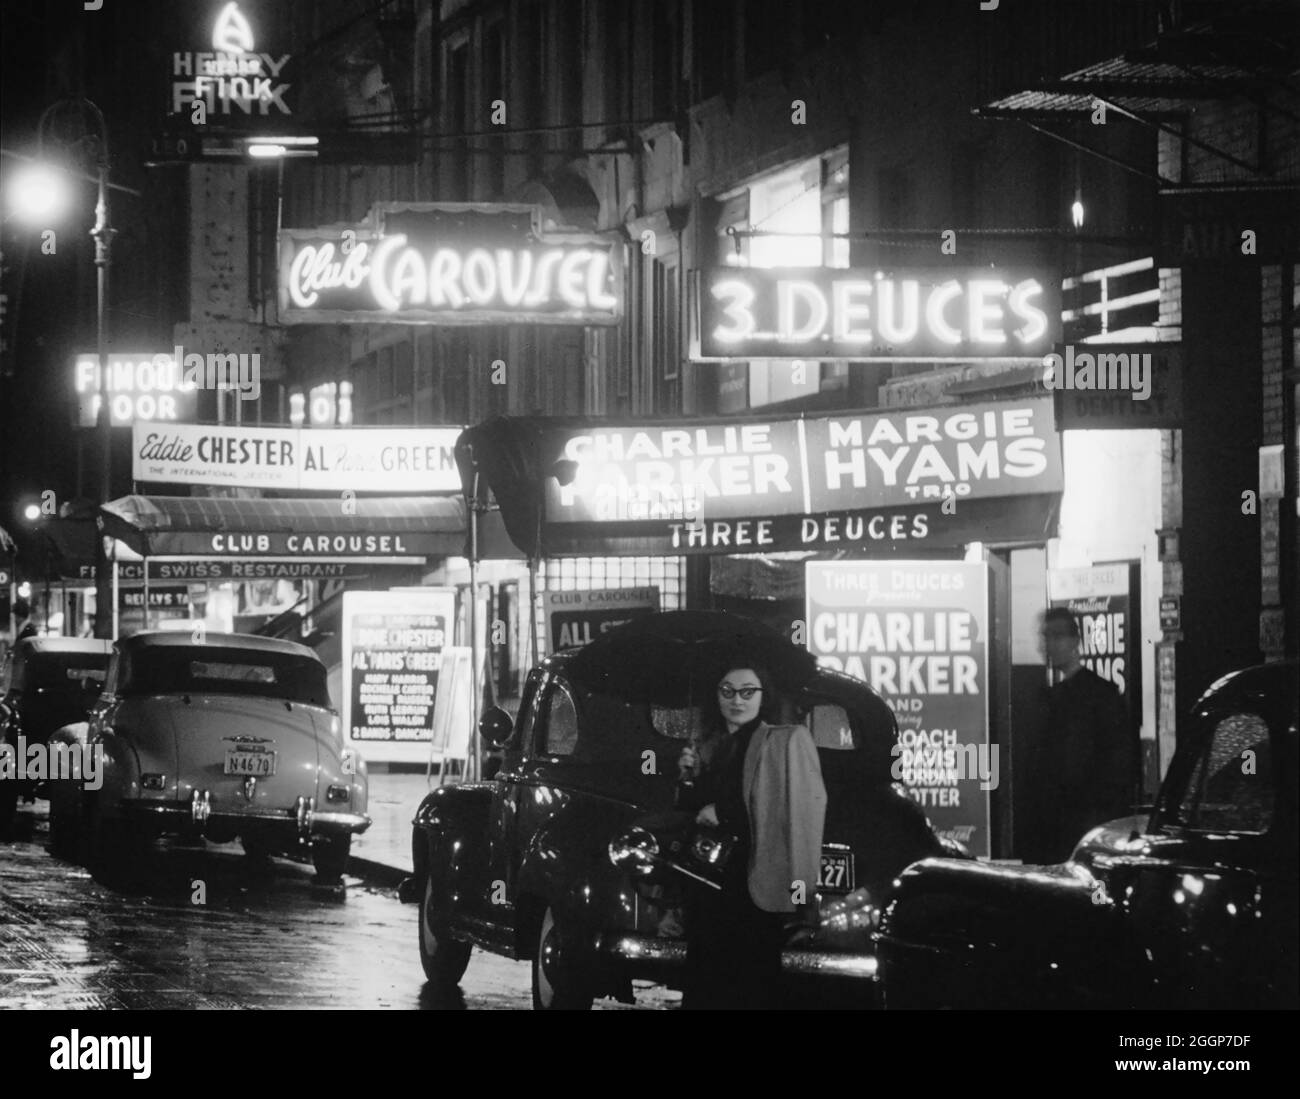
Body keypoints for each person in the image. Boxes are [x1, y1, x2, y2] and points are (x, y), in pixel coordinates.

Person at [676, 658, 827, 1010]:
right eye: (727, 691)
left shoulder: (784, 740)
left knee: (750, 981)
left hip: (752, 881)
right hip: (709, 883)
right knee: (705, 979)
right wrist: (686, 777)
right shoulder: (708, 746)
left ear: (763, 695)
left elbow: (790, 809)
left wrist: (722, 812)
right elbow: (688, 812)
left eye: (747, 691)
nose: (737, 700)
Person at [1031, 607, 1134, 862]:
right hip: (1071, 825)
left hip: (1083, 823)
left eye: (1056, 636)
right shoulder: (1067, 695)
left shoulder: (1096, 696)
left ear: (1075, 641)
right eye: (1046, 637)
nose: (1049, 645)